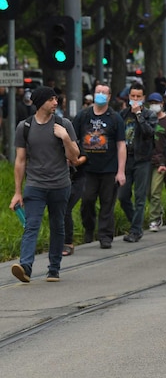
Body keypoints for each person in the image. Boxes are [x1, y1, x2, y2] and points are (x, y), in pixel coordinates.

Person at [9, 87, 80, 283]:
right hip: (35, 185)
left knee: (57, 226)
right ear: (40, 102)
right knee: (31, 226)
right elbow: (20, 160)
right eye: (51, 99)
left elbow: (75, 157)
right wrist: (17, 192)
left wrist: (65, 137)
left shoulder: (63, 124)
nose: (56, 102)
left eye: (56, 98)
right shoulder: (25, 127)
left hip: (60, 184)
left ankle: (54, 269)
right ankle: (25, 267)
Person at [74, 83, 127, 249]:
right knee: (87, 201)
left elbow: (121, 145)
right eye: (98, 92)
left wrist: (121, 171)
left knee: (107, 203)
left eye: (104, 93)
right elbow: (73, 140)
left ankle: (105, 236)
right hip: (87, 169)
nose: (101, 95)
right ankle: (89, 229)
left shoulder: (115, 118)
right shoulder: (83, 116)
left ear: (109, 97)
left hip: (109, 169)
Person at [118, 82, 157, 242]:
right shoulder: (123, 114)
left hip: (142, 159)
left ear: (143, 98)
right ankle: (137, 224)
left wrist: (139, 115)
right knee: (123, 196)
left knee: (140, 196)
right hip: (126, 159)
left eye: (138, 97)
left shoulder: (149, 114)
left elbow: (149, 132)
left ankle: (135, 230)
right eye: (132, 96)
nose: (135, 99)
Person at [147, 93, 166, 232]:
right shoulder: (146, 119)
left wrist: (165, 162)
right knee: (147, 192)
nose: (153, 105)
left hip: (161, 161)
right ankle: (159, 211)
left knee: (155, 191)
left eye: (156, 102)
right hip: (147, 161)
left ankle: (154, 219)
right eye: (151, 102)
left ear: (162, 103)